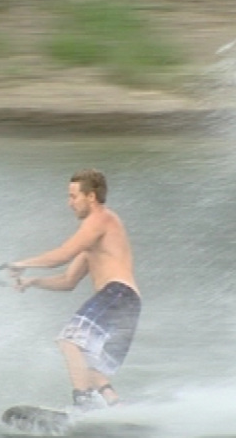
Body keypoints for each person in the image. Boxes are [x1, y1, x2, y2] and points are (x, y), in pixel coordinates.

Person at [9, 169, 141, 411]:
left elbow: (63, 253)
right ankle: (116, 405)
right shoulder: (95, 239)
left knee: (69, 342)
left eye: (73, 196)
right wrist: (32, 282)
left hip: (118, 294)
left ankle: (83, 403)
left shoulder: (101, 219)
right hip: (127, 302)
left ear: (91, 197)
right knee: (89, 365)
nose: (70, 203)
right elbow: (68, 280)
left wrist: (22, 263)